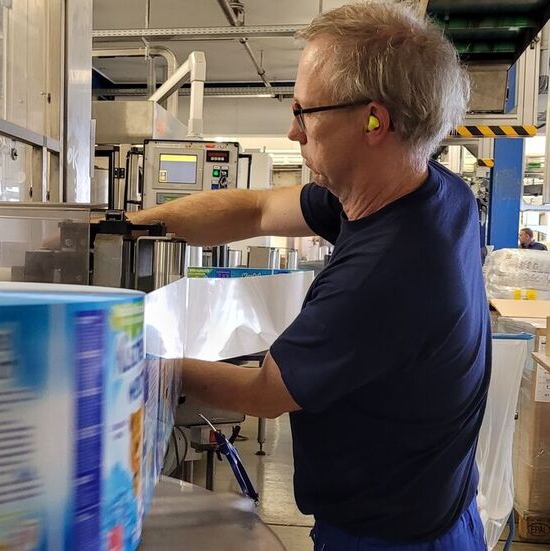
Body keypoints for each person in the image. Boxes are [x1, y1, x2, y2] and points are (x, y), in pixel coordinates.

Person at [131, 2, 488, 549]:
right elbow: (256, 210)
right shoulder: (430, 189)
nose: (292, 130)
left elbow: (265, 393)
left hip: (391, 538)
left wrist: (145, 368)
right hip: (436, 507)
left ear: (374, 121)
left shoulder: (386, 273)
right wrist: (128, 228)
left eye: (305, 111)